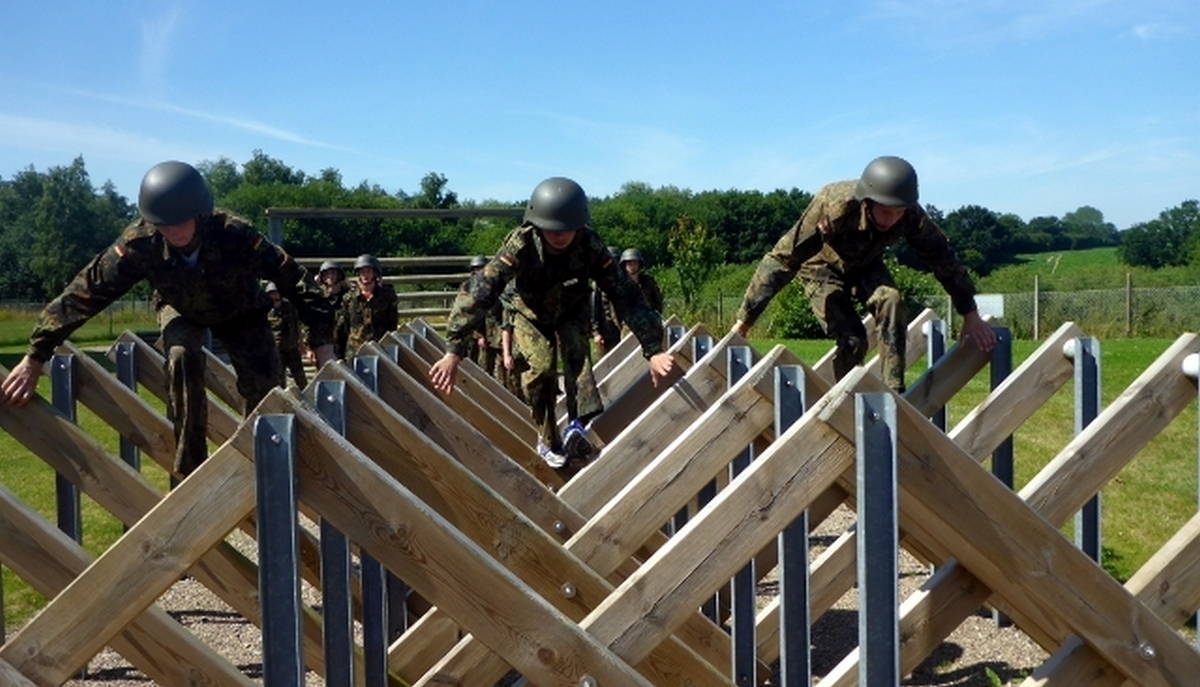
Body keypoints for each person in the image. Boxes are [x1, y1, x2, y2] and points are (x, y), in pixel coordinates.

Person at [0, 160, 315, 476]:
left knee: (264, 374)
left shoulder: (233, 233)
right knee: (180, 355)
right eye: (164, 224)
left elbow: (293, 278)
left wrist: (323, 340)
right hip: (180, 307)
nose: (173, 231)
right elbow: (84, 293)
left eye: (180, 222)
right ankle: (192, 467)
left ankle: (262, 462)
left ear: (198, 213)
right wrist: (35, 356)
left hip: (240, 310)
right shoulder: (139, 243)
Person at [429, 177, 674, 468]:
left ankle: (578, 426)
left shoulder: (589, 245)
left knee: (577, 359)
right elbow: (479, 293)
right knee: (542, 367)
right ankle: (548, 438)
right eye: (552, 230)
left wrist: (652, 348)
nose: (560, 236)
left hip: (572, 306)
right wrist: (454, 350)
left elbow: (625, 293)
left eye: (567, 229)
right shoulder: (520, 245)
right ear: (537, 224)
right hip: (529, 312)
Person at [731, 156, 996, 392]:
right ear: (867, 202)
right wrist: (745, 321)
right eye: (885, 211)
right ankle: (846, 398)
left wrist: (969, 314)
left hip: (865, 265)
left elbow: (943, 259)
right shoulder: (834, 206)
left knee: (891, 301)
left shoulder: (910, 214)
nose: (891, 219)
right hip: (820, 266)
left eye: (898, 212)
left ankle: (893, 391)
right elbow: (782, 260)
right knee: (853, 338)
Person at [336, 253, 400, 358]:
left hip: (380, 350)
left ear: (375, 273)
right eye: (362, 272)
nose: (365, 275)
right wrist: (339, 354)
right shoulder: (349, 299)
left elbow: (392, 325)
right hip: (354, 352)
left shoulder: (387, 296)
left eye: (368, 271)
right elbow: (342, 329)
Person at [305, 260, 348, 367]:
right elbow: (309, 324)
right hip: (323, 343)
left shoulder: (348, 297)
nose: (330, 276)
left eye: (333, 273)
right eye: (327, 273)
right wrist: (308, 348)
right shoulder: (317, 298)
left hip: (345, 344)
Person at [266, 282, 307, 388]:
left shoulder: (289, 306)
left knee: (300, 378)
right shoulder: (265, 309)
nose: (275, 296)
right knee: (279, 380)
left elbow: (297, 324)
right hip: (276, 350)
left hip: (292, 347)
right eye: (272, 293)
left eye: (276, 293)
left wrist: (301, 343)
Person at [591, 246, 622, 354]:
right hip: (608, 332)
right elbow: (594, 310)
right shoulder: (598, 284)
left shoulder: (624, 282)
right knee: (608, 365)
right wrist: (596, 333)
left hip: (625, 329)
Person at [619, 248, 664, 315]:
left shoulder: (648, 281)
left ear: (639, 264)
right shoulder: (620, 283)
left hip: (647, 317)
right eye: (629, 263)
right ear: (624, 265)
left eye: (635, 263)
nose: (632, 266)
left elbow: (657, 301)